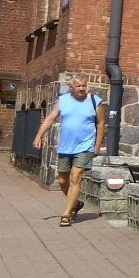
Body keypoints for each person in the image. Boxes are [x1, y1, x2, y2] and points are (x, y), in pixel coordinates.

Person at [33, 74, 106, 226]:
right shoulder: (63, 100)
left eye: (84, 86)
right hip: (66, 146)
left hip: (84, 146)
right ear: (71, 87)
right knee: (62, 180)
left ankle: (66, 214)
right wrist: (39, 136)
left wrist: (97, 145)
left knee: (75, 177)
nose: (81, 88)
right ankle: (76, 204)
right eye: (78, 86)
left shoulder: (94, 101)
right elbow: (50, 118)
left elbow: (100, 123)